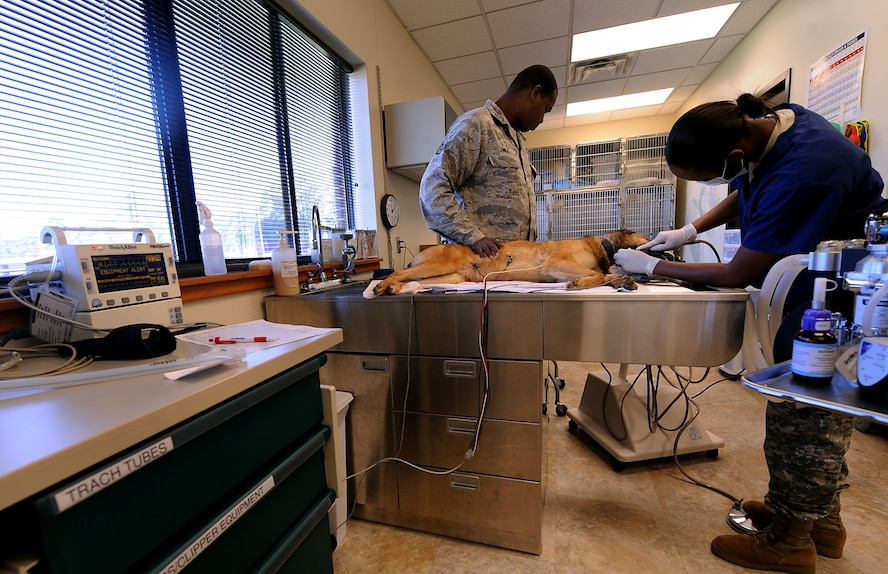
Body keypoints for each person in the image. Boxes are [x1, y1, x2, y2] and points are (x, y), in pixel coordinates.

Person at [615, 93, 888, 574]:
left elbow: (739, 272)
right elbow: (747, 188)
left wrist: (653, 265)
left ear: (733, 155)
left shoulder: (807, 169)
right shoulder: (775, 124)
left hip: (851, 291)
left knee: (804, 407)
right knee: (808, 402)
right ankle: (820, 521)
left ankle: (791, 540)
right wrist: (690, 230)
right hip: (827, 282)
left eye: (705, 176)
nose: (713, 183)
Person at [419, 64, 558, 259]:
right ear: (535, 93)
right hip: (480, 267)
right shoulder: (477, 124)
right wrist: (473, 237)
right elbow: (432, 189)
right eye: (545, 110)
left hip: (514, 265)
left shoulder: (516, 143)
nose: (542, 119)